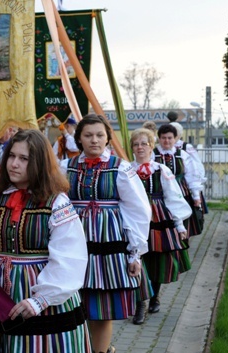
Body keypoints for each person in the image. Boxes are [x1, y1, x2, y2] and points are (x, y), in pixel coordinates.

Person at [0, 129, 91, 352]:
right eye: (12, 156)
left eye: (23, 159)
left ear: (39, 163)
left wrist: (41, 300)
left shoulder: (56, 202)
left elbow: (70, 257)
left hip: (40, 290)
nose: (14, 164)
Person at [60, 114, 151, 353]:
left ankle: (101, 351)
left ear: (108, 138)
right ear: (79, 138)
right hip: (74, 241)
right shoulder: (65, 166)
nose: (94, 140)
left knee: (101, 307)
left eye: (100, 135)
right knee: (74, 303)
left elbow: (138, 211)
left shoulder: (120, 168)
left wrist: (135, 254)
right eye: (88, 135)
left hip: (107, 247)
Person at [130, 128, 192, 324]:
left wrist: (180, 225)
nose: (140, 147)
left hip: (158, 218)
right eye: (136, 144)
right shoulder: (126, 170)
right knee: (138, 259)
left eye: (144, 143)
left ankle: (154, 296)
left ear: (151, 146)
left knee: (156, 261)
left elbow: (173, 198)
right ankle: (141, 303)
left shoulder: (161, 170)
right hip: (135, 218)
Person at [154, 124, 204, 237]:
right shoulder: (153, 154)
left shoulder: (182, 154)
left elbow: (192, 175)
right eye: (163, 138)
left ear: (175, 139)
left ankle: (182, 249)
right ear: (159, 139)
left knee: (183, 221)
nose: (166, 141)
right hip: (160, 194)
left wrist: (196, 196)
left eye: (170, 138)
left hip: (181, 192)